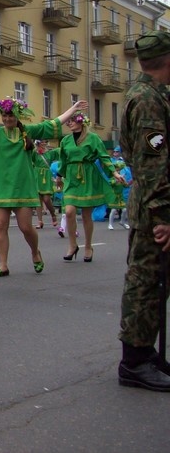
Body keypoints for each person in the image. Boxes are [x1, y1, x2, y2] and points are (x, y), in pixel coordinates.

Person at [0, 89, 88, 276]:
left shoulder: (29, 131)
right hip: (0, 186)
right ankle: (3, 264)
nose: (7, 119)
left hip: (22, 186)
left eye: (10, 115)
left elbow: (54, 123)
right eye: (4, 115)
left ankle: (35, 252)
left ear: (17, 116)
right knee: (1, 225)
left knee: (26, 227)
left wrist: (73, 109)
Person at [117, 30, 170, 392]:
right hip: (155, 207)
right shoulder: (148, 100)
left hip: (152, 203)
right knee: (146, 284)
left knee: (152, 283)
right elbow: (153, 165)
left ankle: (145, 353)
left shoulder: (146, 95)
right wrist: (163, 215)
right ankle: (134, 361)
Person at [57, 112, 124, 262]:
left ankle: (88, 246)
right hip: (71, 177)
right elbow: (63, 160)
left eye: (73, 120)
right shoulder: (65, 140)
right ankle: (72, 245)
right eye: (68, 121)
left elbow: (103, 157)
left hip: (87, 176)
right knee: (69, 211)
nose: (69, 123)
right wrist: (59, 176)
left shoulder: (93, 138)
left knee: (87, 214)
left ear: (82, 122)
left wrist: (114, 173)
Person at [34, 141, 61, 229]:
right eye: (42, 142)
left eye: (45, 142)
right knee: (38, 199)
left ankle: (53, 214)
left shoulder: (50, 153)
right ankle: (40, 221)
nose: (44, 143)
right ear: (38, 143)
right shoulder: (34, 153)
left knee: (46, 199)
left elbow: (61, 152)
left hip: (46, 175)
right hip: (37, 175)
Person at [108, 159, 132, 230]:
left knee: (124, 210)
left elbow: (126, 186)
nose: (118, 172)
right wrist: (117, 180)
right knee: (113, 210)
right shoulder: (112, 178)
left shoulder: (122, 178)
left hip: (120, 197)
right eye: (117, 170)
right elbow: (112, 183)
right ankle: (110, 224)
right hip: (114, 196)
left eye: (119, 170)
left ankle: (122, 222)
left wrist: (130, 182)